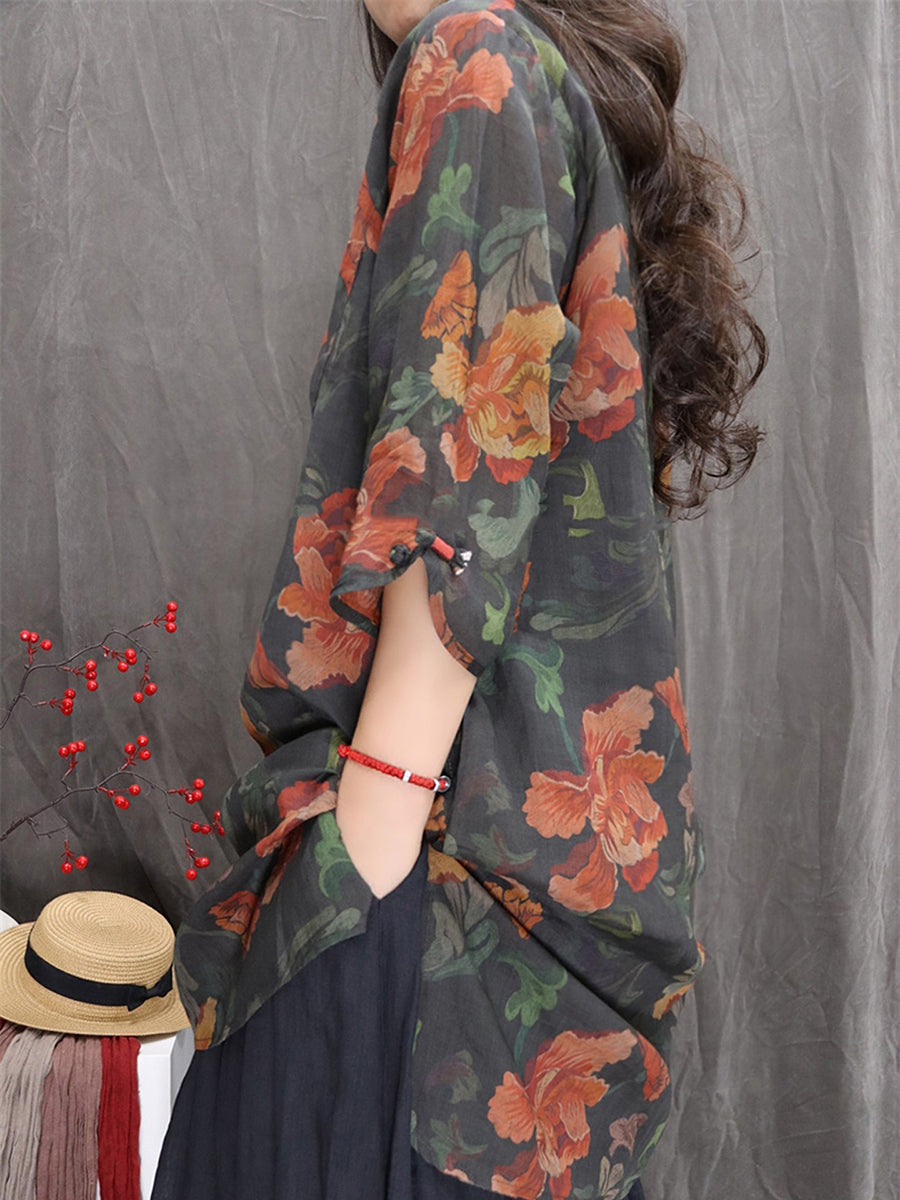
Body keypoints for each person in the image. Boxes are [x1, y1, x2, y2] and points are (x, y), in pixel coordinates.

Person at [151, 1, 767, 1198]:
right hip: (498, 956)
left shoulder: (473, 56)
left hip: (424, 900)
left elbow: (457, 492)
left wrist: (366, 842)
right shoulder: (533, 79)